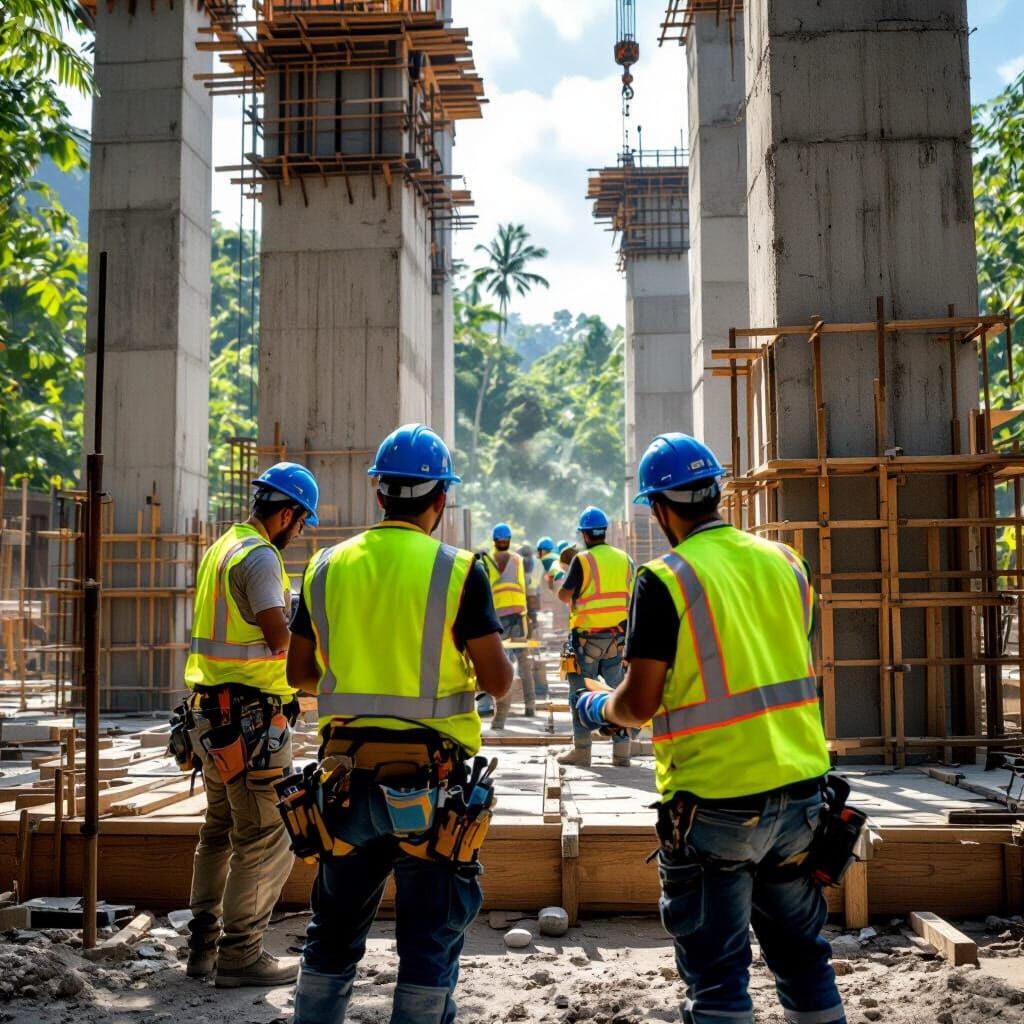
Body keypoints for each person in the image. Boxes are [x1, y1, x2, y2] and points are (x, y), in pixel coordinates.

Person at [576, 433, 846, 1024]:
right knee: (805, 961)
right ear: (718, 492)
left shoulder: (665, 578)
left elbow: (639, 703)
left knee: (720, 980)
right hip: (803, 793)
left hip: (715, 803)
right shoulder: (786, 562)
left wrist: (597, 708)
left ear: (659, 507)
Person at [286, 423, 512, 1024]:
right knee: (429, 937)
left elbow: (300, 673)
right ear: (440, 499)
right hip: (431, 783)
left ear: (379, 495)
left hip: (344, 780)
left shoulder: (325, 567)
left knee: (331, 930)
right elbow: (498, 681)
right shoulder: (459, 569)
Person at [183, 462, 320, 987]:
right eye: (300, 522)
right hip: (251, 722)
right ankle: (240, 954)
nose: (298, 532)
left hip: (211, 714)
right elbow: (281, 641)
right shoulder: (261, 557)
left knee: (218, 831)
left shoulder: (224, 547)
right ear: (286, 513)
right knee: (264, 835)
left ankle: (203, 948)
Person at [556, 506, 634, 768]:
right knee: (618, 693)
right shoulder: (625, 559)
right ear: (603, 532)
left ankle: (582, 751)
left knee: (579, 692)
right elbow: (632, 597)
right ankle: (622, 753)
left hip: (586, 640)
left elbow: (564, 595)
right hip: (618, 640)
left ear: (585, 535)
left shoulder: (582, 560)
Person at [484, 523, 532, 729]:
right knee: (522, 661)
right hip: (517, 615)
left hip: (499, 617)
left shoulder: (487, 560)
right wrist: (528, 615)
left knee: (500, 664)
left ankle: (500, 717)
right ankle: (530, 706)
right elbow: (522, 586)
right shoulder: (516, 560)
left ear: (495, 540)